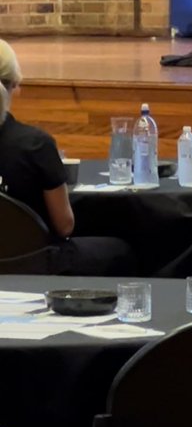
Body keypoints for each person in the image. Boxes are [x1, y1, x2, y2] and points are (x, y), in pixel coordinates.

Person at [0, 39, 137, 275]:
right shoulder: (35, 144)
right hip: (35, 262)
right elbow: (64, 226)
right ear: (15, 84)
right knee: (121, 249)